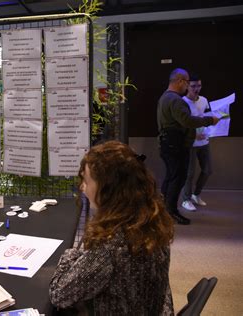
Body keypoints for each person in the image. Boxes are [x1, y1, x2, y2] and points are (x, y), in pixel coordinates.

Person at [49, 141, 175, 315]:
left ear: (108, 189)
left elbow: (59, 293)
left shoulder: (109, 246)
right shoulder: (153, 222)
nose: (82, 187)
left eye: (86, 181)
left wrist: (69, 253)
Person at [157, 68, 218, 225]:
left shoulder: (164, 97)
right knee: (178, 178)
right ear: (180, 81)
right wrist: (209, 120)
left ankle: (163, 210)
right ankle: (171, 211)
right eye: (187, 82)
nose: (188, 86)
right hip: (176, 145)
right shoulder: (176, 100)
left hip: (168, 144)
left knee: (171, 177)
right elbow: (188, 121)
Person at [181, 74, 212, 211]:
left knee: (207, 170)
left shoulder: (204, 100)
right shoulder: (182, 102)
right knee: (189, 173)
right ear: (187, 86)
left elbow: (208, 118)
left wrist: (209, 131)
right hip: (190, 143)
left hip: (204, 142)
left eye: (198, 85)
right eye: (193, 86)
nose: (196, 88)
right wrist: (194, 136)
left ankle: (196, 195)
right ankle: (186, 200)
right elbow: (183, 124)